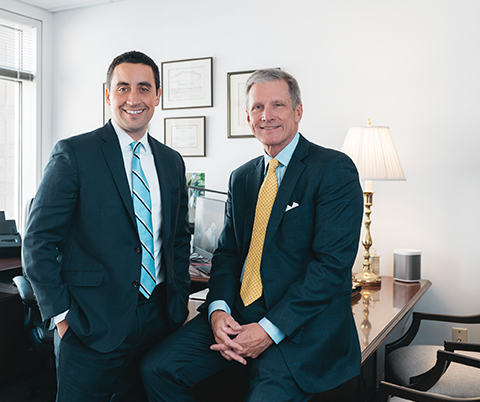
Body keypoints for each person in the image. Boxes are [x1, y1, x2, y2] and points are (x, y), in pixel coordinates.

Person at [141, 69, 364, 402]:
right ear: (247, 117)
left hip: (299, 328)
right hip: (236, 316)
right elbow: (228, 253)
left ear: (298, 112)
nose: (267, 115)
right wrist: (218, 311)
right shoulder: (242, 178)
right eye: (258, 107)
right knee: (157, 369)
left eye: (278, 105)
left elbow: (330, 267)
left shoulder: (333, 169)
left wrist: (268, 330)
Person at [22, 50, 191, 402]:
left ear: (157, 96)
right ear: (108, 94)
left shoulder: (171, 162)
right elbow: (38, 241)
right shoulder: (74, 154)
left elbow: (177, 238)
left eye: (144, 88)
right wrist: (62, 316)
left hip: (157, 319)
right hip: (89, 323)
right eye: (123, 87)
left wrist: (177, 299)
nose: (133, 98)